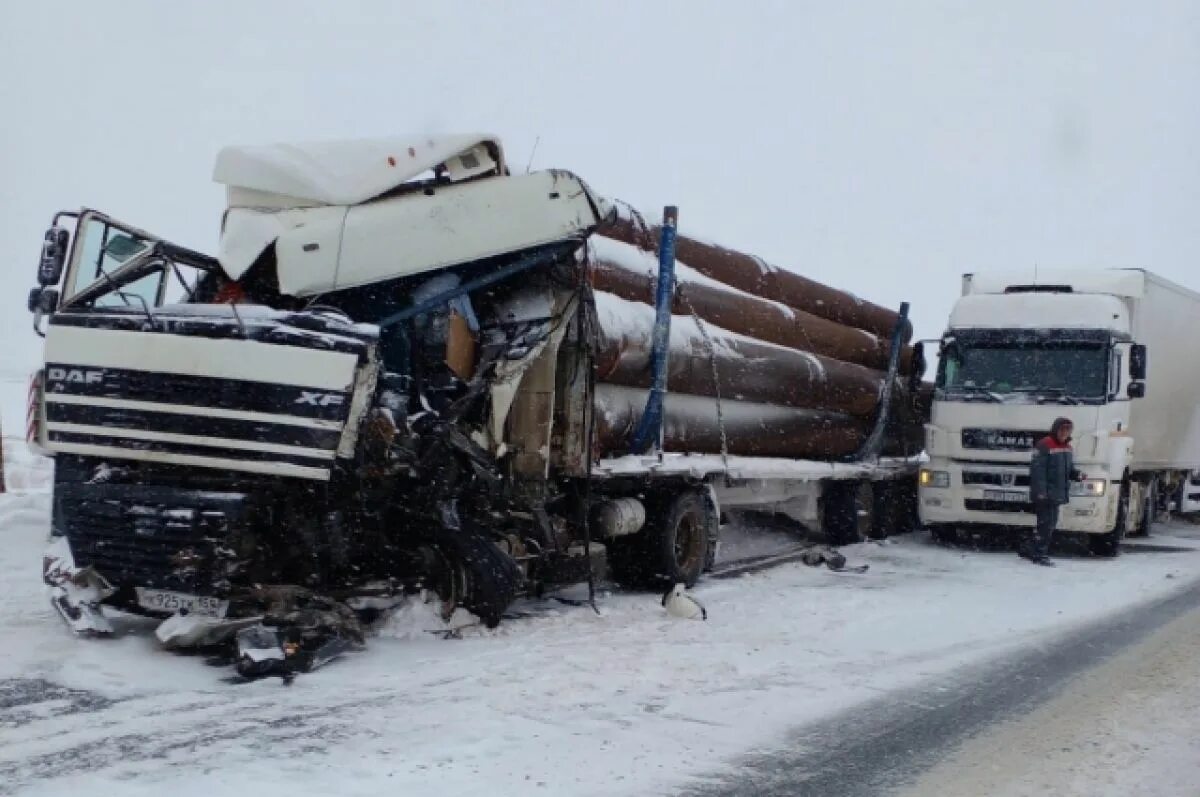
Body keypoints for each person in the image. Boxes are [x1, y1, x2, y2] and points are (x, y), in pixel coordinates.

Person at [1023, 417, 1085, 566]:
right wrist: (1041, 492)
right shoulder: (1045, 445)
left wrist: (1077, 475)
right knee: (1045, 525)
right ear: (1056, 429)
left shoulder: (1068, 448)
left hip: (1056, 494)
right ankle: (1039, 554)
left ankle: (1030, 549)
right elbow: (1038, 472)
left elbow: (1068, 470)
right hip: (1046, 495)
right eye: (1062, 429)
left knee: (1049, 524)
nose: (1064, 432)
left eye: (1068, 430)